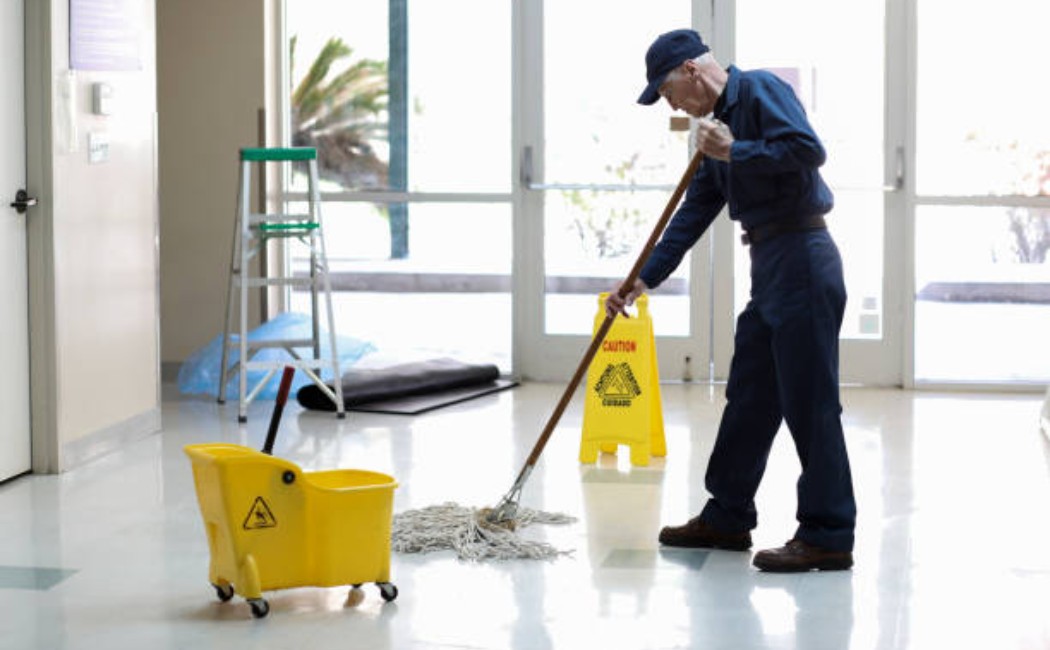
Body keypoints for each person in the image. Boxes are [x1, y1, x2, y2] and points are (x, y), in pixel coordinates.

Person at [606, 28, 856, 572]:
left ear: (691, 71)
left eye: (667, 91)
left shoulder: (760, 90)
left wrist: (736, 150)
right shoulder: (712, 136)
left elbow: (809, 150)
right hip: (769, 266)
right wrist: (642, 279)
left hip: (804, 257)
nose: (671, 105)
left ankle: (828, 534)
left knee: (810, 402)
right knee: (749, 396)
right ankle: (727, 516)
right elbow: (693, 214)